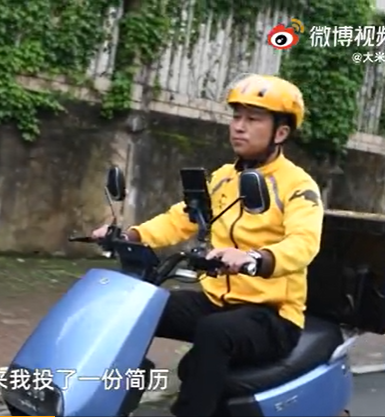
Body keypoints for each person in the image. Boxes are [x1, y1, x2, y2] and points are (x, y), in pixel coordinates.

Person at [91, 74, 324, 416]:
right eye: (237, 117)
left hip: (273, 316)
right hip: (218, 301)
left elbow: (304, 243)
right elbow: (181, 218)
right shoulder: (224, 178)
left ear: (281, 132)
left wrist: (253, 258)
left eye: (253, 119)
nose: (239, 127)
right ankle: (105, 396)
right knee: (139, 307)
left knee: (214, 333)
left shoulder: (298, 185)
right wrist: (131, 236)